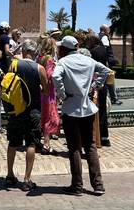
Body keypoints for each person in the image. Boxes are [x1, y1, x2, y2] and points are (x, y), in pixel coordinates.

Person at [53, 35, 110, 196]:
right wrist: (95, 86)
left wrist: (62, 94)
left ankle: (77, 185)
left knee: (74, 148)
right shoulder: (88, 60)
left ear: (63, 49)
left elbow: (55, 76)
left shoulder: (63, 62)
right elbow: (105, 70)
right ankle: (98, 184)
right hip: (87, 108)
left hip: (71, 108)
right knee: (90, 146)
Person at [5, 41, 48, 193]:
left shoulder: (14, 65)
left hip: (16, 110)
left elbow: (7, 84)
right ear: (35, 52)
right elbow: (46, 90)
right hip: (33, 111)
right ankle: (27, 179)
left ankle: (9, 175)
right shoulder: (40, 68)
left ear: (23, 51)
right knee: (31, 144)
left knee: (13, 143)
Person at [86, 34, 111, 147]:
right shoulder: (103, 50)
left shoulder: (93, 52)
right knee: (103, 111)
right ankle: (105, 138)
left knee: (95, 111)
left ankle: (95, 137)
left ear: (92, 41)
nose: (87, 43)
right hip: (103, 84)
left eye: (88, 41)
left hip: (95, 85)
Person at [37, 37, 60, 154]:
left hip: (40, 91)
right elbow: (50, 75)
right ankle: (46, 145)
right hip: (49, 92)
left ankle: (40, 143)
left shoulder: (39, 58)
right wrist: (56, 68)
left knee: (43, 116)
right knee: (50, 118)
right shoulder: (49, 59)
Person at [99, 25, 122, 105]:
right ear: (105, 29)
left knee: (104, 81)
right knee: (111, 81)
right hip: (106, 63)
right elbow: (104, 49)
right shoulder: (105, 37)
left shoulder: (99, 36)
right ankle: (114, 99)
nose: (109, 30)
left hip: (101, 62)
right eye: (108, 29)